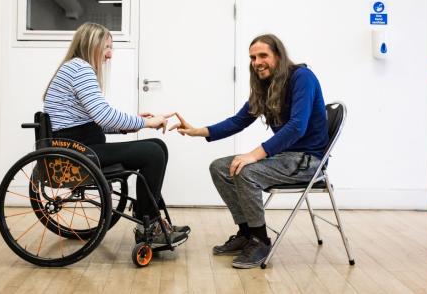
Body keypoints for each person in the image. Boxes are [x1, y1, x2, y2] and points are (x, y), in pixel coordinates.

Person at [169, 34, 328, 268]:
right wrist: (198, 131)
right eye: (253, 57)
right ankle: (246, 233)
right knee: (220, 168)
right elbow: (238, 121)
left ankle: (260, 240)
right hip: (284, 157)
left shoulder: (302, 77)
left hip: (307, 161)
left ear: (279, 56)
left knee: (245, 170)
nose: (257, 62)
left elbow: (297, 127)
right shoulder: (266, 85)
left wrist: (254, 154)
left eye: (263, 55)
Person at [43, 22, 189, 246]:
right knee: (152, 152)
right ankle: (148, 225)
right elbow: (104, 116)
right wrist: (145, 122)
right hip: (80, 152)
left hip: (81, 146)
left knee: (158, 147)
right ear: (91, 45)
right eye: (106, 47)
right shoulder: (80, 69)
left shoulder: (74, 67)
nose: (110, 55)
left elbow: (97, 121)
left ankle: (150, 218)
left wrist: (135, 123)